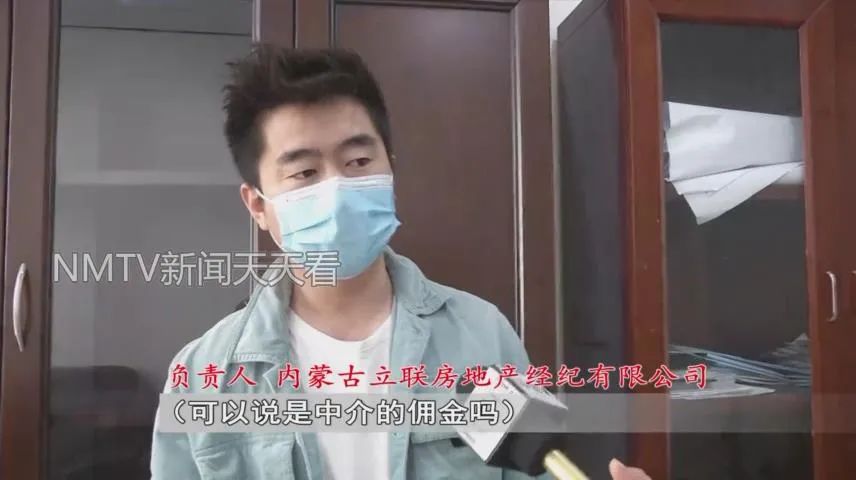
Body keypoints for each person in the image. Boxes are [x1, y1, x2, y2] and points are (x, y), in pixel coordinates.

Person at [150, 45, 651, 480]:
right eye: (304, 172)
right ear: (258, 205)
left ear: (390, 169)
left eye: (358, 162)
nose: (337, 189)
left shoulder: (482, 334)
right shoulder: (201, 376)